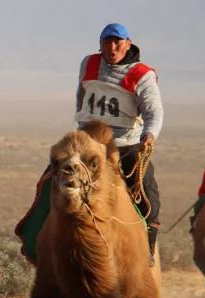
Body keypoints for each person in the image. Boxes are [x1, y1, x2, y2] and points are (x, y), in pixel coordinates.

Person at [75, 23, 164, 266]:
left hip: (125, 146)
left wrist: (149, 135)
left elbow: (154, 113)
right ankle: (37, 244)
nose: (112, 47)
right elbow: (81, 98)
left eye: (117, 42)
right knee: (52, 180)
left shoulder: (141, 74)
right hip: (89, 144)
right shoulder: (89, 64)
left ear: (128, 43)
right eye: (107, 42)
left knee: (148, 193)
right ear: (100, 43)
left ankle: (147, 248)